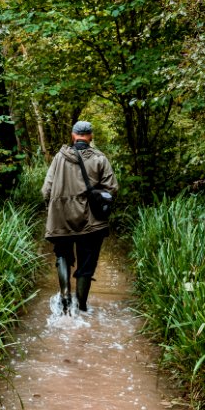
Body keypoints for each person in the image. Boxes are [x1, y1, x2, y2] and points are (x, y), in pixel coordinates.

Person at [42, 120, 119, 314]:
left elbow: (46, 190)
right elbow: (112, 190)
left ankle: (66, 293)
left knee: (62, 254)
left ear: (73, 135)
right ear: (90, 136)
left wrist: (53, 209)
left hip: (61, 217)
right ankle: (82, 307)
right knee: (87, 263)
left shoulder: (59, 158)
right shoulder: (100, 158)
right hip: (91, 222)